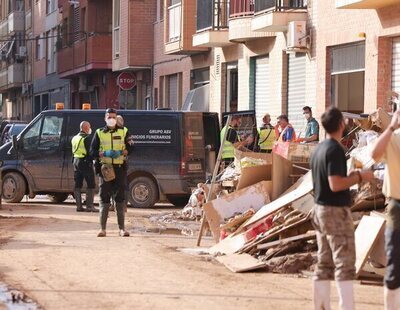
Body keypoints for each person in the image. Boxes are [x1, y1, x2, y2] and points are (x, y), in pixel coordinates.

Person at [310, 107, 374, 310]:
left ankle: (320, 306)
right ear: (340, 124)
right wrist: (359, 177)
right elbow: (335, 184)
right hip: (335, 211)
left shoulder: (319, 149)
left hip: (319, 209)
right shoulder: (335, 150)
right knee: (344, 263)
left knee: (324, 263)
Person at [371, 110, 400, 310]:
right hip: (397, 207)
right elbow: (373, 155)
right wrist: (391, 127)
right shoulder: (393, 140)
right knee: (394, 263)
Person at [90, 108, 134, 237]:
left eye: (114, 117)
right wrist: (104, 153)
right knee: (104, 197)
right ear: (105, 118)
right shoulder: (99, 133)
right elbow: (92, 152)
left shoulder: (124, 131)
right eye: (109, 117)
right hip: (106, 170)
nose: (112, 119)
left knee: (120, 197)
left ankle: (122, 229)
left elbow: (131, 147)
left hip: (119, 168)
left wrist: (121, 152)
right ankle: (102, 229)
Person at [71, 121, 97, 213]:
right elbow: (90, 152)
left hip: (75, 162)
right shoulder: (87, 138)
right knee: (91, 184)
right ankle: (89, 206)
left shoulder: (74, 138)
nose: (90, 129)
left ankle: (79, 206)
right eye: (89, 127)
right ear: (86, 128)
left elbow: (73, 151)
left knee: (78, 184)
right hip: (85, 163)